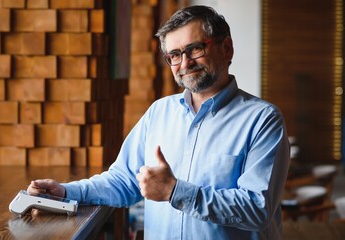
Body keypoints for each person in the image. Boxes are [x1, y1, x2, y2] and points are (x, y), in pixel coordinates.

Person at [28, 5, 290, 240]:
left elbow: (257, 209)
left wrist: (176, 192)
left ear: (226, 48)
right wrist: (64, 192)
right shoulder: (158, 112)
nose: (184, 63)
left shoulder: (263, 119)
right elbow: (124, 181)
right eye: (174, 55)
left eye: (195, 49)